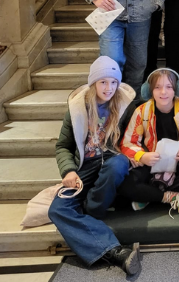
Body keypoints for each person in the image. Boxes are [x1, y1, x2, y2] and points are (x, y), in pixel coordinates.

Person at [49, 57, 141, 276]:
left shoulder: (125, 105)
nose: (109, 88)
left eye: (113, 82)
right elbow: (63, 146)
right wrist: (69, 170)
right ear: (93, 83)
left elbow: (133, 138)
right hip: (85, 166)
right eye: (103, 82)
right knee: (57, 210)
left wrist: (135, 154)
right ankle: (116, 251)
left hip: (111, 161)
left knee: (119, 162)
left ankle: (93, 209)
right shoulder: (77, 109)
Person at [120, 68, 179, 217]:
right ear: (149, 90)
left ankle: (149, 194)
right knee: (124, 183)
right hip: (151, 162)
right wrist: (142, 156)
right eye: (157, 87)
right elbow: (128, 143)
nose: (163, 92)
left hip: (178, 163)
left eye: (169, 87)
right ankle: (172, 196)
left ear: (177, 89)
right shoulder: (141, 111)